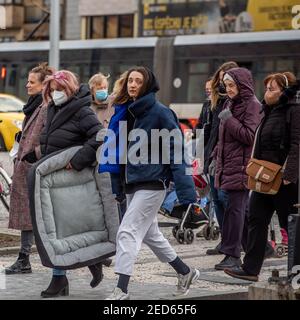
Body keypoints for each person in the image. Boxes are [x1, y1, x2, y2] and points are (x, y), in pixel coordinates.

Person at [100, 66, 200, 300]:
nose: (132, 85)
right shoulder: (125, 112)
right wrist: (118, 189)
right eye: (130, 81)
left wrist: (187, 197)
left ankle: (121, 289)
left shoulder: (160, 113)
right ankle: (185, 272)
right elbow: (118, 155)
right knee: (150, 234)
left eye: (138, 81)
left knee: (126, 232)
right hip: (133, 183)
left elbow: (178, 152)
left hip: (154, 182)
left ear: (147, 85)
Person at [37, 70, 109, 298]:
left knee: (64, 230)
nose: (55, 94)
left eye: (58, 90)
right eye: (51, 91)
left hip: (74, 180)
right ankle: (81, 268)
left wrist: (77, 160)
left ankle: (62, 278)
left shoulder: (81, 111)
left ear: (69, 89)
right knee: (61, 230)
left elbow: (99, 136)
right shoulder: (53, 109)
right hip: (56, 181)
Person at [225, 72, 300, 281]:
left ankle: (296, 274)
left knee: (290, 225)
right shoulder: (269, 111)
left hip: (285, 180)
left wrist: (290, 175)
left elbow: (297, 144)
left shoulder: (294, 110)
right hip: (264, 176)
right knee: (256, 219)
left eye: (271, 89)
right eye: (266, 88)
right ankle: (250, 269)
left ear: (284, 91)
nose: (266, 92)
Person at [5, 63, 54, 275]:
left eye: (32, 82)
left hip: (36, 169)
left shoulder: (47, 107)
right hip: (26, 168)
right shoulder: (34, 105)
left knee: (47, 218)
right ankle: (24, 258)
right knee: (30, 216)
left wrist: (35, 154)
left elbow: (52, 138)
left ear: (45, 85)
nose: (27, 85)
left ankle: (91, 259)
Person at [213, 67, 261, 270]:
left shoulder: (252, 105)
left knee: (235, 210)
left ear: (243, 85)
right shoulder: (230, 103)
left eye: (232, 85)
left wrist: (228, 119)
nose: (228, 89)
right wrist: (214, 156)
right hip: (228, 165)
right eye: (226, 85)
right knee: (240, 210)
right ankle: (260, 247)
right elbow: (224, 139)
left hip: (242, 166)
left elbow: (250, 136)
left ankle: (232, 255)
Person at [201, 61, 238, 253]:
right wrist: (206, 156)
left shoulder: (237, 102)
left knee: (226, 199)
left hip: (229, 158)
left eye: (229, 79)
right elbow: (208, 131)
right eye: (223, 78)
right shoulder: (214, 102)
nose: (225, 83)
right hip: (213, 156)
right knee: (216, 199)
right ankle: (226, 241)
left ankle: (234, 241)